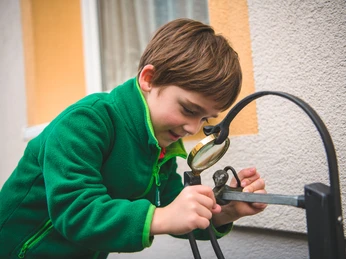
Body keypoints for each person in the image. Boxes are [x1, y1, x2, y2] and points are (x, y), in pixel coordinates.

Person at [0, 18, 267, 258]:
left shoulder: (160, 143)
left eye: (205, 119)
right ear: (149, 79)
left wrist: (228, 211)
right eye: (188, 109)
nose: (192, 128)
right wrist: (160, 218)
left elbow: (174, 209)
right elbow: (75, 211)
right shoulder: (86, 122)